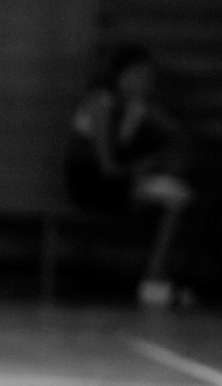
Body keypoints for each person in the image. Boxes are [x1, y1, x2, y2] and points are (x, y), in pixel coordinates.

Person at [66, 45, 193, 307]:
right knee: (177, 197)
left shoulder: (136, 108)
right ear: (120, 74)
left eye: (148, 76)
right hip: (91, 184)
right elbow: (107, 167)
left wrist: (160, 156)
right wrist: (143, 167)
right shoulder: (100, 102)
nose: (144, 81)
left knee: (180, 191)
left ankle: (159, 275)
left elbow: (178, 137)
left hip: (116, 183)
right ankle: (153, 278)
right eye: (138, 74)